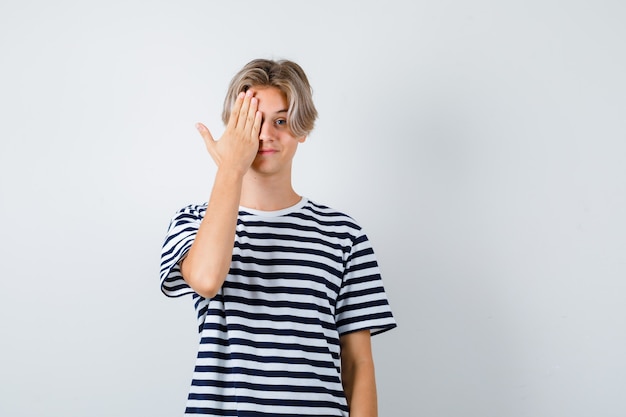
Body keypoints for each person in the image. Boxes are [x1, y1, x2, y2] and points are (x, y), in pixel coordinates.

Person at [160, 58, 396, 416]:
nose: (265, 135)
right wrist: (231, 167)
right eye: (252, 121)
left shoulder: (344, 234)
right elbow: (207, 280)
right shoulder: (194, 220)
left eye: (281, 121)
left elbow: (358, 364)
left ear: (302, 129)